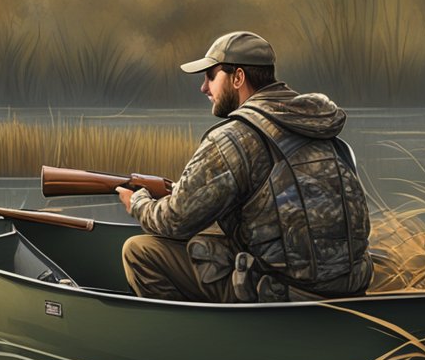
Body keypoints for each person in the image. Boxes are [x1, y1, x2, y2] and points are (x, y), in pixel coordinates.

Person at [115, 31, 372, 302]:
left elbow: (174, 221)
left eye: (211, 76)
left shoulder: (233, 138)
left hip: (283, 295)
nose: (204, 88)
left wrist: (139, 202)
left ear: (238, 77)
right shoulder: (318, 128)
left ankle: (190, 338)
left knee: (139, 251)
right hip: (349, 288)